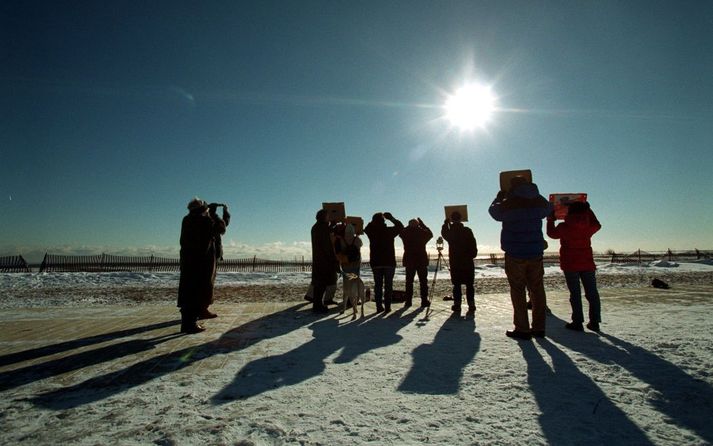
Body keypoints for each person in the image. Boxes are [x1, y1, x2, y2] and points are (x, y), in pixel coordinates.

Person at [489, 177, 553, 340]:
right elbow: (549, 208)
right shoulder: (537, 200)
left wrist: (499, 198)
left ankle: (522, 329)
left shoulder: (510, 201)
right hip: (535, 251)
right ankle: (539, 328)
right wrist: (537, 194)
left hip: (515, 252)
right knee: (537, 289)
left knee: (517, 290)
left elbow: (494, 213)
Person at [547, 201, 602, 332]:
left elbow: (551, 234)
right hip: (587, 263)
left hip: (570, 264)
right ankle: (594, 322)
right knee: (592, 293)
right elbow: (597, 225)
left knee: (575, 294)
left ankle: (577, 321)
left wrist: (550, 219)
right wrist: (588, 210)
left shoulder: (564, 227)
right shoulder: (588, 226)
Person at [177, 198, 220, 334]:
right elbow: (221, 228)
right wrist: (214, 214)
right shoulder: (205, 220)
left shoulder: (187, 219)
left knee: (188, 291)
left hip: (188, 261)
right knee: (198, 291)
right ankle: (190, 324)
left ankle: (187, 322)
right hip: (202, 262)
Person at [364, 212, 404, 313]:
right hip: (389, 262)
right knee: (388, 285)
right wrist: (391, 218)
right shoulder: (389, 231)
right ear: (384, 221)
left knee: (378, 285)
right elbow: (400, 227)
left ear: (373, 221)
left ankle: (379, 307)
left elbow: (366, 228)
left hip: (376, 262)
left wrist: (373, 221)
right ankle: (387, 306)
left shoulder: (372, 232)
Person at [441, 212, 478, 315]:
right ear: (461, 219)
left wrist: (445, 224)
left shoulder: (451, 232)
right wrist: (472, 255)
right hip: (467, 262)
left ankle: (457, 305)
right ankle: (471, 304)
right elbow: (473, 244)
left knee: (457, 284)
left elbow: (445, 234)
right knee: (470, 285)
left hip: (455, 262)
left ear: (452, 220)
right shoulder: (467, 231)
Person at [200, 203, 231, 319]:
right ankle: (203, 309)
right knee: (207, 282)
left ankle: (201, 308)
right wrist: (226, 211)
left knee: (206, 282)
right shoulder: (210, 220)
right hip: (209, 255)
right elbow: (224, 225)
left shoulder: (203, 219)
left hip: (208, 254)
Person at [399, 218, 433, 308]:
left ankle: (408, 301)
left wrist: (409, 227)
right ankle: (424, 301)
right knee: (423, 282)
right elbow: (430, 234)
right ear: (418, 225)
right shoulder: (422, 233)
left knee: (409, 282)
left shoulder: (406, 233)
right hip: (421, 260)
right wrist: (422, 225)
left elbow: (401, 233)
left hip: (409, 260)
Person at [311, 209, 339, 313]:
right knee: (321, 284)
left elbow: (325, 234)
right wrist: (334, 260)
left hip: (319, 259)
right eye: (328, 216)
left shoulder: (316, 227)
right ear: (324, 217)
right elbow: (327, 245)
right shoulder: (322, 228)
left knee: (319, 284)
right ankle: (318, 306)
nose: (329, 217)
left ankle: (317, 304)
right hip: (324, 260)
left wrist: (331, 226)